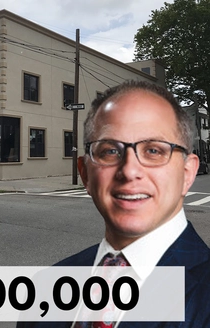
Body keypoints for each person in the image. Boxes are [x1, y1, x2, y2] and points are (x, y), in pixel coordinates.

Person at [17, 80, 210, 328]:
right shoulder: (45, 287)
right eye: (109, 151)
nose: (129, 171)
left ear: (187, 173)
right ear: (85, 174)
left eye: (153, 150)